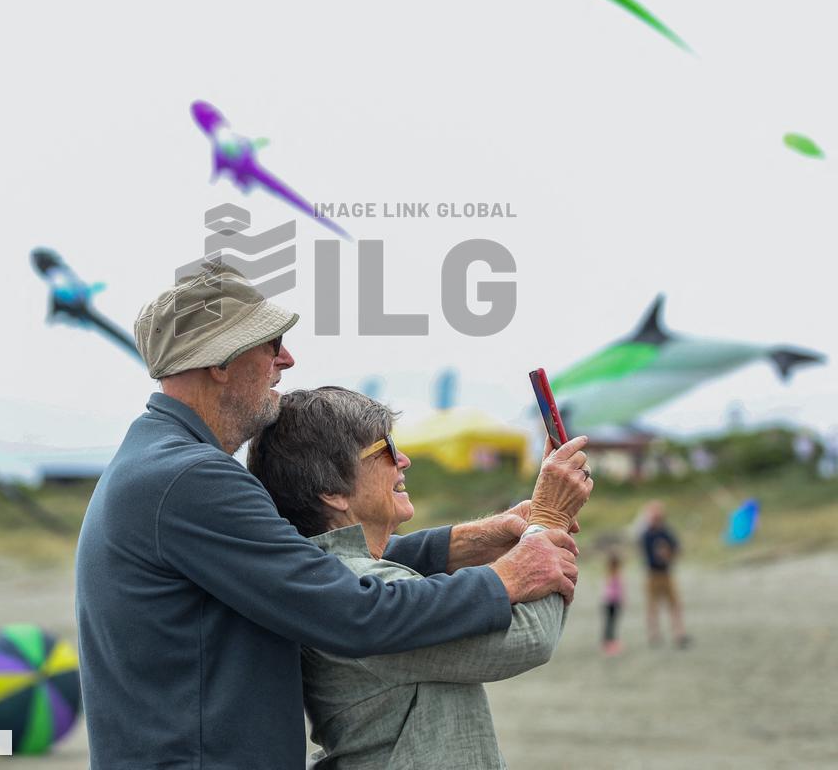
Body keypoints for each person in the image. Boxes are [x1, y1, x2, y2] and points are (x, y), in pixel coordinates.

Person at [75, 262, 590, 770]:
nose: (288, 360)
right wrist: (514, 569)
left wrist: (469, 541)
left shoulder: (162, 463)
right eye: (271, 344)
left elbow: (306, 573)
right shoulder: (188, 478)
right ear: (219, 360)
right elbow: (351, 609)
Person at [248, 386, 593, 769]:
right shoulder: (361, 585)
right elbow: (529, 638)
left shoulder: (330, 575)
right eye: (386, 450)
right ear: (332, 491)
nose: (404, 460)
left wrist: (523, 532)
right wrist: (549, 521)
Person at [640, 500, 690, 647]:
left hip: (666, 574)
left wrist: (669, 554)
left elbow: (677, 549)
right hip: (653, 574)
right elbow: (648, 555)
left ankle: (679, 633)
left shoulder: (666, 532)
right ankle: (654, 634)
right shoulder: (647, 535)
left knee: (674, 604)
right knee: (652, 606)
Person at [601, 552, 624, 655]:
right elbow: (613, 591)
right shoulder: (614, 575)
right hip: (612, 603)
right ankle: (609, 643)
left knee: (611, 623)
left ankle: (609, 642)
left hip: (610, 602)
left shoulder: (610, 574)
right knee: (611, 624)